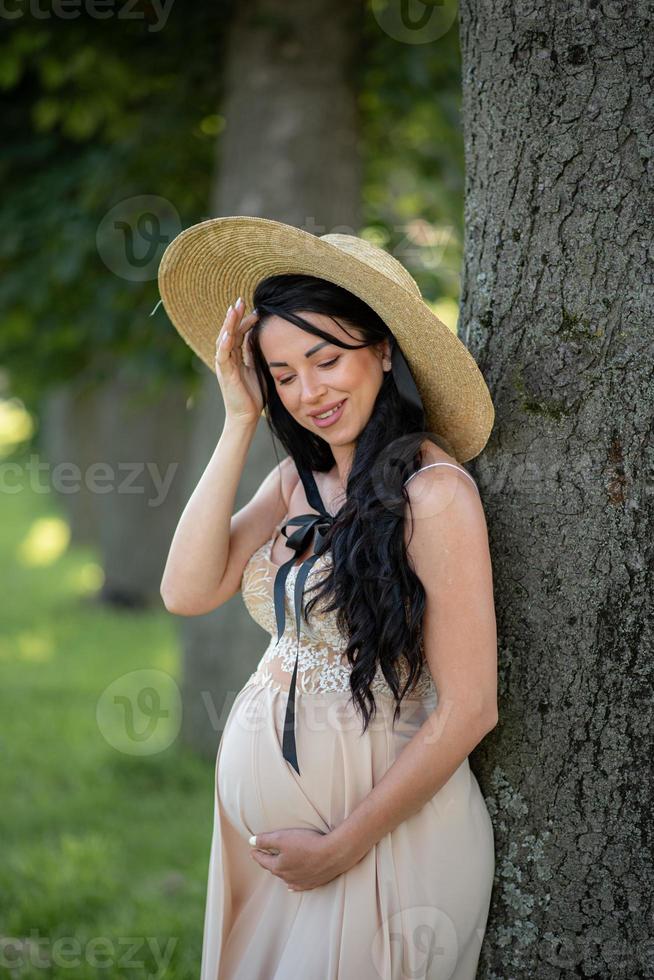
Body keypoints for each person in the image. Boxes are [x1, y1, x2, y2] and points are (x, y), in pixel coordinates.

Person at [157, 216, 498, 980]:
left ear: (382, 349)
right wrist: (240, 419)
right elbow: (184, 590)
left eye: (325, 359)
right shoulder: (295, 484)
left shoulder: (433, 494)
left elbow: (472, 708)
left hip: (384, 846)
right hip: (276, 857)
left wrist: (342, 845)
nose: (308, 392)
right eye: (282, 374)